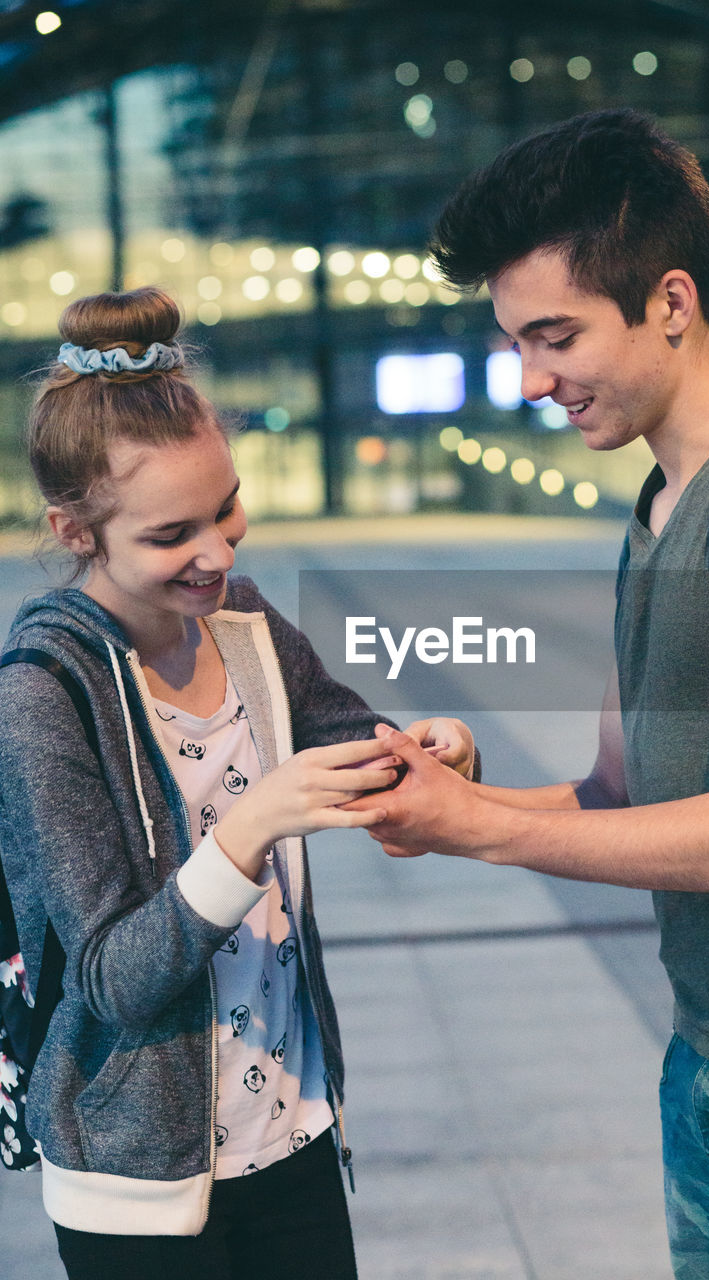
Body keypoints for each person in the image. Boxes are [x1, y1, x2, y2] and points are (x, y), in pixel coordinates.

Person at [348, 109, 709, 1278]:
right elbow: (615, 793)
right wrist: (452, 802)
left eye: (555, 335)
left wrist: (482, 830)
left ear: (670, 301)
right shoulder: (656, 505)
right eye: (516, 341)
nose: (531, 379)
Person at [0, 286, 475, 1280]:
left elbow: (351, 733)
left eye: (225, 508)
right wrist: (248, 827)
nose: (217, 550)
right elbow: (109, 976)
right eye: (173, 534)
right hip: (138, 1174)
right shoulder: (43, 691)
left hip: (294, 1126)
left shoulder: (247, 623)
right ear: (76, 530)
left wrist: (428, 748)